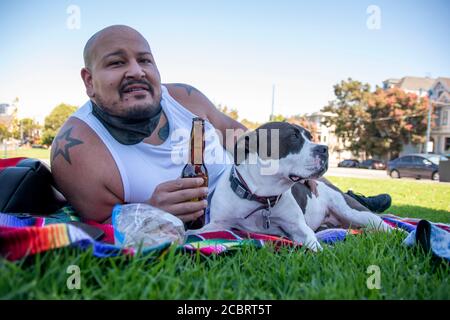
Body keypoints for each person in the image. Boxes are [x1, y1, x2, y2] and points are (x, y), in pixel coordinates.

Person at [51, 25, 390, 225]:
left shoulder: (184, 97)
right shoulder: (79, 151)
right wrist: (150, 211)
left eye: (145, 60)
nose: (136, 71)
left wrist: (296, 171)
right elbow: (106, 228)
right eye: (116, 62)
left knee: (333, 199)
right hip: (221, 221)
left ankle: (349, 200)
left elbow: (248, 142)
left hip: (260, 196)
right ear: (89, 80)